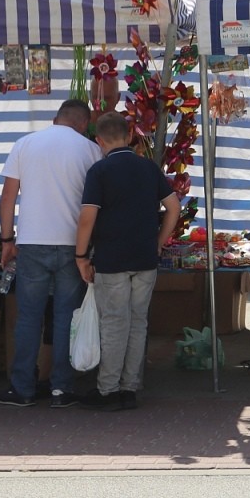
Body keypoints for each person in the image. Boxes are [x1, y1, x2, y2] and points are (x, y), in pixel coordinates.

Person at [0, 98, 101, 408]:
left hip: (31, 242)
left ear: (56, 118)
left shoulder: (25, 144)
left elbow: (8, 196)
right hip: (74, 246)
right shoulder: (91, 150)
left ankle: (22, 389)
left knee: (29, 317)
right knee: (66, 316)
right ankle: (61, 389)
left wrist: (6, 240)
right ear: (84, 123)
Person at [75, 112, 181, 411]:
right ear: (130, 135)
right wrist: (158, 241)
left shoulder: (100, 171)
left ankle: (108, 390)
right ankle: (129, 388)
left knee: (113, 323)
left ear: (99, 141)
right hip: (145, 257)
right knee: (138, 323)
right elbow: (173, 207)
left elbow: (87, 218)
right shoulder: (148, 167)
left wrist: (81, 256)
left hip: (112, 258)